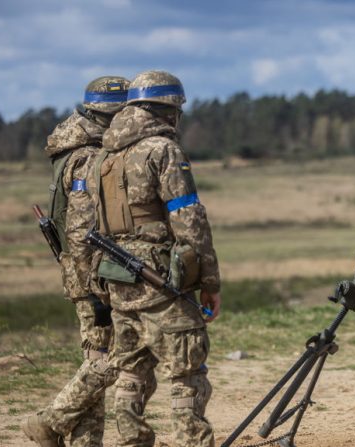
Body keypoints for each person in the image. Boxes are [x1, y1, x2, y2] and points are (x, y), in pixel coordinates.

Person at [86, 70, 221, 446]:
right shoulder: (163, 150)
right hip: (160, 280)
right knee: (187, 371)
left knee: (131, 373)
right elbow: (189, 220)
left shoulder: (104, 157)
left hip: (118, 280)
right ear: (168, 110)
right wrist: (209, 282)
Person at [22, 76, 158, 447]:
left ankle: (79, 440)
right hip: (95, 277)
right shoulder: (86, 159)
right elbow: (82, 233)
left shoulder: (81, 147)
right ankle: (50, 422)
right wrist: (97, 291)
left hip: (95, 274)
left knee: (97, 356)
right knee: (117, 354)